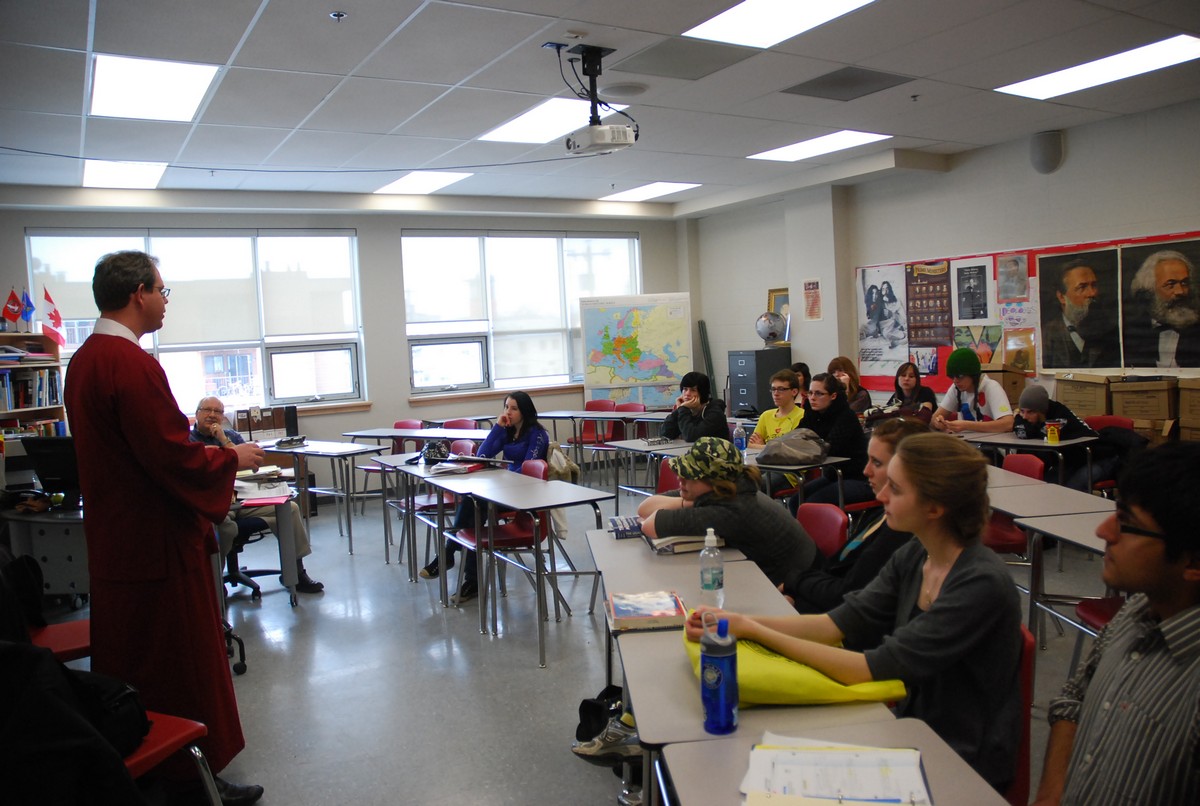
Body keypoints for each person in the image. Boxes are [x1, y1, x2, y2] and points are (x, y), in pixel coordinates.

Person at [687, 434, 1022, 792]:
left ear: (935, 508)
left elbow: (866, 668)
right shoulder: (916, 554)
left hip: (963, 766)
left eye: (896, 489)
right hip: (913, 732)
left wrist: (754, 631)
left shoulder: (979, 583)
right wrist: (740, 622)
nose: (881, 495)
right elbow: (835, 624)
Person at [63, 250, 266, 805]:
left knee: (133, 664)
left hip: (118, 543)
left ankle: (145, 768)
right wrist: (232, 458)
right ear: (138, 294)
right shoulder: (129, 363)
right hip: (156, 546)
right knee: (177, 668)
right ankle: (190, 778)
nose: (165, 302)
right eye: (162, 291)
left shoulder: (83, 360)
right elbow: (172, 456)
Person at [1032, 442, 1200, 806]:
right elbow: (1073, 698)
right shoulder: (1136, 609)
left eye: (1127, 524)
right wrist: (1052, 793)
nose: (1103, 531)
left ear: (1192, 562)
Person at [780, 417, 927, 615]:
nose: (866, 471)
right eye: (868, 460)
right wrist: (797, 590)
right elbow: (834, 572)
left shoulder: (899, 532)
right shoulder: (880, 516)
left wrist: (795, 584)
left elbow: (847, 595)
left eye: (877, 462)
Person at [419, 391, 549, 604]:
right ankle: (468, 578)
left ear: (525, 411)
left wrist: (504, 479)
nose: (508, 412)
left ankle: (449, 556)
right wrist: (498, 427)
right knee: (473, 505)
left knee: (474, 506)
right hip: (504, 491)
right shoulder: (507, 432)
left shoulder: (537, 435)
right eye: (506, 407)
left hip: (523, 495)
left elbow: (528, 469)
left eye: (514, 408)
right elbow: (483, 455)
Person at [637, 436, 817, 585]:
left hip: (799, 588)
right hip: (785, 575)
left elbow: (650, 525)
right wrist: (689, 503)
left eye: (689, 475)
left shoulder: (732, 508)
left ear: (714, 482)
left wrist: (687, 504)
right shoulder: (729, 488)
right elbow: (645, 508)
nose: (680, 478)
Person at [189, 396, 324, 594]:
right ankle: (214, 584)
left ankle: (295, 573)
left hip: (244, 497)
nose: (212, 415)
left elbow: (250, 466)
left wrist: (223, 440)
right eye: (207, 410)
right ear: (197, 414)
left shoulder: (231, 436)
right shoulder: (188, 441)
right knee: (224, 528)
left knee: (291, 509)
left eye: (217, 412)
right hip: (216, 503)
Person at [793, 374, 871, 510]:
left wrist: (805, 445)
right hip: (834, 476)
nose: (812, 398)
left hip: (859, 478)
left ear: (833, 396)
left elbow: (829, 447)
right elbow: (796, 438)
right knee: (795, 501)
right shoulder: (812, 413)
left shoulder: (846, 416)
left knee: (812, 503)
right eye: (810, 393)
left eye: (819, 393)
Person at [1122, 249, 1200, 367]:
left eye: (1184, 283)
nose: (1180, 291)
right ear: (1150, 290)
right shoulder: (1129, 334)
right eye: (1170, 284)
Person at [1010, 384, 1096, 490]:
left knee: (1055, 487)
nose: (1024, 417)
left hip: (1086, 456)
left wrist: (1031, 429)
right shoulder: (1029, 416)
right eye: (1022, 411)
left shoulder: (1061, 413)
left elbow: (1042, 431)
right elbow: (1020, 429)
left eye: (1030, 412)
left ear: (1041, 411)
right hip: (1062, 459)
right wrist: (1034, 428)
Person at [1041, 259, 1113, 368]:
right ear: (1061, 297)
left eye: (1094, 285)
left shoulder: (1110, 333)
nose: (1092, 293)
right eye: (1082, 287)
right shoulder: (1046, 336)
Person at [930, 347, 1013, 434]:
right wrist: (938, 423)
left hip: (991, 441)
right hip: (966, 441)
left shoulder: (991, 387)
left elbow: (1008, 424)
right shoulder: (955, 388)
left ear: (973, 374)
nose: (955, 381)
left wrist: (967, 425)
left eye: (960, 376)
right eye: (952, 377)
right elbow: (933, 420)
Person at [748, 368, 805, 494]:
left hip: (788, 472)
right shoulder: (766, 415)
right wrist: (774, 448)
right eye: (773, 389)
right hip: (764, 465)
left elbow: (791, 451)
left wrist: (763, 446)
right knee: (736, 480)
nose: (776, 393)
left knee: (753, 486)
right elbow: (751, 445)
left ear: (794, 391)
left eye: (781, 389)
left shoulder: (802, 416)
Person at [660, 371, 728, 441]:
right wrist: (678, 410)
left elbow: (691, 436)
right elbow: (666, 433)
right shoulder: (687, 409)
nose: (687, 394)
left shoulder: (715, 413)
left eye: (693, 390)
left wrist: (683, 409)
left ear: (702, 393)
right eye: (685, 389)